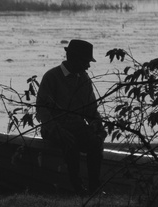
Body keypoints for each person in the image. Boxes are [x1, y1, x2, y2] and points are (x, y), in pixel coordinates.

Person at [36, 38, 106, 194]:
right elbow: (42, 110)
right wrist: (56, 129)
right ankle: (77, 186)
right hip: (53, 128)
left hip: (76, 127)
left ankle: (95, 187)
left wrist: (98, 127)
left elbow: (91, 110)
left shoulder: (84, 79)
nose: (88, 66)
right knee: (70, 144)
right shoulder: (51, 77)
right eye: (86, 62)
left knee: (95, 143)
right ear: (74, 59)